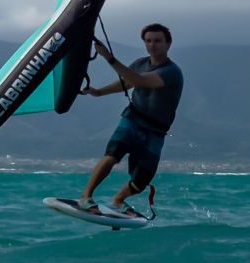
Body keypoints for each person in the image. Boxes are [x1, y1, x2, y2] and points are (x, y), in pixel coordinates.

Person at [77, 23, 184, 215]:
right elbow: (126, 82)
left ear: (168, 44)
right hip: (133, 119)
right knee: (113, 153)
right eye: (148, 41)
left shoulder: (172, 72)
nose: (152, 45)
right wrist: (100, 92)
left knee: (141, 180)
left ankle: (118, 201)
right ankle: (86, 197)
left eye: (158, 41)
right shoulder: (140, 63)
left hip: (156, 130)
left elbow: (139, 81)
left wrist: (109, 58)